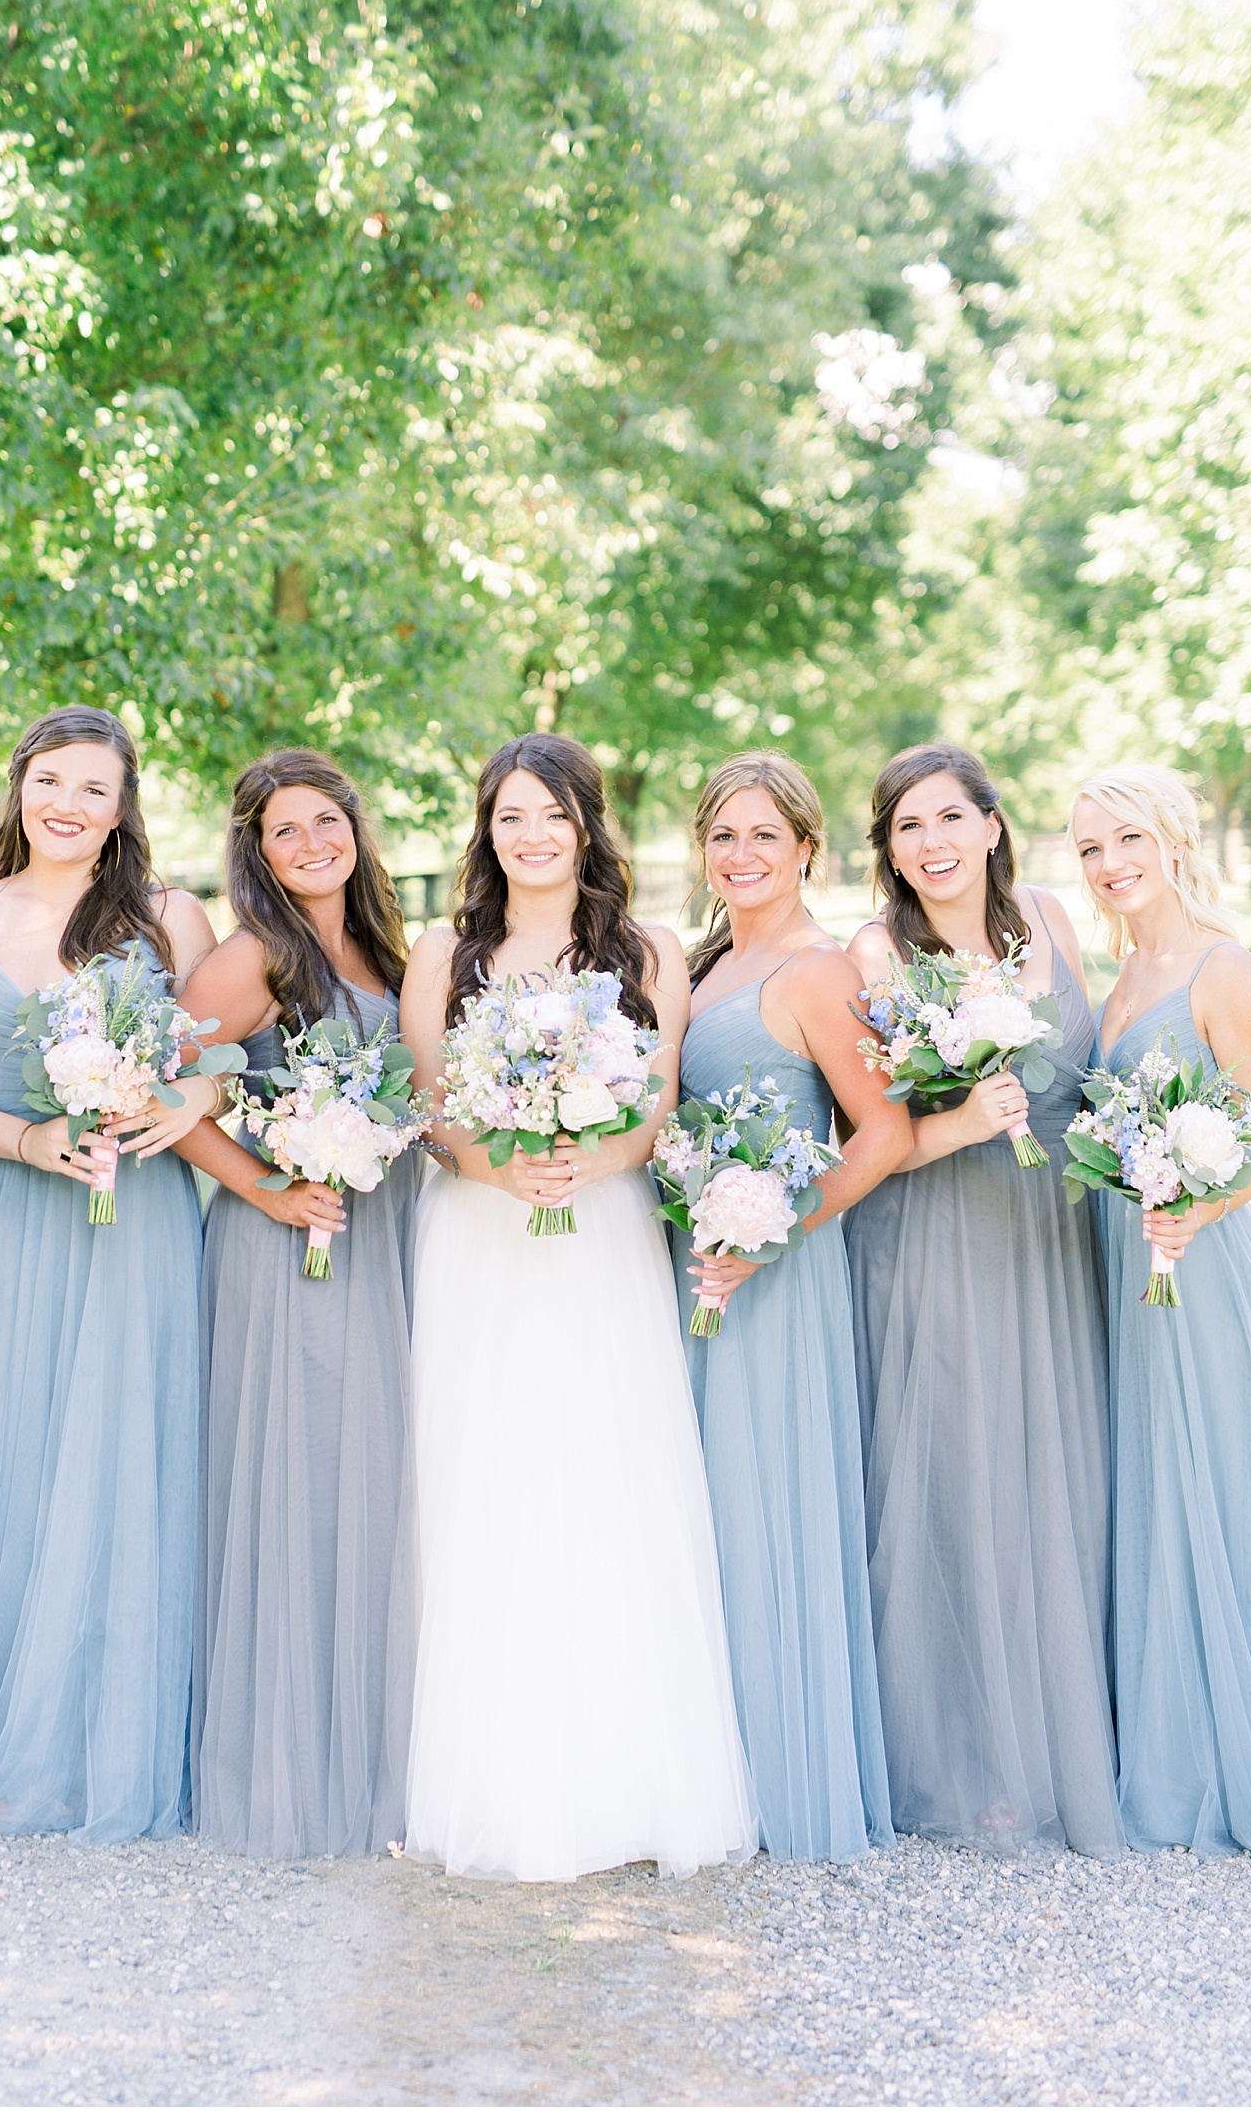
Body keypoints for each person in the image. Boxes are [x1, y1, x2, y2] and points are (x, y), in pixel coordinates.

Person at [399, 733, 759, 1882]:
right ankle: (495, 1781)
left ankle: (628, 1779)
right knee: (487, 1479)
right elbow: (428, 1105)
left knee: (608, 1475)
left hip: (601, 1231)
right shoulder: (444, 954)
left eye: (553, 812)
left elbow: (653, 1108)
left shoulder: (645, 948)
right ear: (486, 830)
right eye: (510, 815)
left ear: (586, 822)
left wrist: (591, 1163)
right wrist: (495, 1165)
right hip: (479, 1234)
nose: (533, 834)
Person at [0, 706, 220, 1842]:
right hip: (6, 1217)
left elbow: (221, 1062)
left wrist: (180, 1097)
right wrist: (32, 1139)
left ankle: (106, 1717)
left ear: (123, 805)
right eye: (52, 780)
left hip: (133, 1222)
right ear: (18, 788)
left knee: (117, 1452)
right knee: (2, 1448)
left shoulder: (167, 917)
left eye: (96, 788)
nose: (70, 804)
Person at [844, 741, 1123, 1856]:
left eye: (951, 817)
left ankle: (1066, 1727)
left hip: (1050, 1229)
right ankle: (966, 1753)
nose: (934, 842)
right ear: (889, 850)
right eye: (908, 827)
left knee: (1052, 1470)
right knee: (954, 1476)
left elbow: (1090, 1069)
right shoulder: (876, 949)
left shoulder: (1048, 917)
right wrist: (963, 1115)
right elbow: (879, 1140)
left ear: (993, 826)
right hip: (937, 1234)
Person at [177, 751, 418, 1858]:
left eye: (328, 819)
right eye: (286, 829)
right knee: (299, 1478)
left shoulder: (381, 946)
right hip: (290, 1246)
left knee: (376, 1480)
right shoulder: (252, 956)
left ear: (355, 829)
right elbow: (166, 1092)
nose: (312, 840)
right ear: (257, 850)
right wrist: (269, 1186)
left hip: (385, 1239)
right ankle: (288, 1753)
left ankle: (380, 1735)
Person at [674, 753, 909, 1861]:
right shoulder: (704, 959)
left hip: (775, 1268)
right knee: (698, 1504)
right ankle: (704, 1769)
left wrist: (773, 1232)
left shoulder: (817, 971)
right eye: (723, 835)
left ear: (808, 847)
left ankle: (785, 1767)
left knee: (767, 1495)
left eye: (765, 834)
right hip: (693, 1261)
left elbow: (884, 1132)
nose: (742, 854)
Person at [1073, 765, 1251, 1856]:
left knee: (1209, 1475)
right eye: (1093, 848)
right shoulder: (1120, 974)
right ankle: (1157, 1730)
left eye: (1128, 839)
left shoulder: (1220, 965)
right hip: (1124, 1254)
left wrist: (1197, 1205)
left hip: (1194, 1258)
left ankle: (1221, 1747)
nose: (1110, 864)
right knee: (1145, 1475)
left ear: (1173, 839)